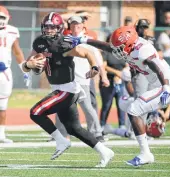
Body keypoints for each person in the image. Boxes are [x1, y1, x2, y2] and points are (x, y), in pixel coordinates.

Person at [66, 26, 170, 167]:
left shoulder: (142, 50)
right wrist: (83, 39)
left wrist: (165, 87)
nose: (117, 50)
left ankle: (145, 153)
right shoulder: (130, 46)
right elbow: (108, 47)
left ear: (128, 44)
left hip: (165, 84)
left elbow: (155, 66)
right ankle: (145, 153)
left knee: (134, 109)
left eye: (120, 47)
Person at [21, 12, 114, 167]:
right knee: (73, 128)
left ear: (59, 28)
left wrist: (95, 67)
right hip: (59, 89)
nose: (49, 30)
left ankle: (61, 141)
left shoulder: (63, 43)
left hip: (68, 90)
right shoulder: (39, 42)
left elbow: (88, 52)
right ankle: (105, 151)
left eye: (52, 27)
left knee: (36, 112)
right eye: (46, 27)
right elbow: (29, 64)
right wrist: (29, 65)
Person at [55, 16, 108, 142]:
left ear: (83, 25)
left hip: (83, 78)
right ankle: (61, 134)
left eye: (78, 23)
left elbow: (99, 60)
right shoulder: (64, 39)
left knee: (88, 107)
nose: (75, 26)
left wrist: (103, 76)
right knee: (60, 106)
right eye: (73, 23)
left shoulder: (88, 40)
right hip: (67, 79)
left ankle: (96, 133)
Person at [0, 6, 29, 143]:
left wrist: (24, 70)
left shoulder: (12, 31)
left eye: (2, 17)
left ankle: (1, 135)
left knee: (3, 105)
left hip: (4, 72)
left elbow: (17, 52)